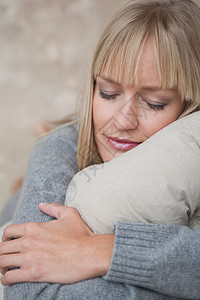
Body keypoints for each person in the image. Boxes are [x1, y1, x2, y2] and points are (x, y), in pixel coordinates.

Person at [0, 0, 200, 299]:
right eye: (108, 93)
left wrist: (101, 249)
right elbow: (26, 289)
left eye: (154, 102)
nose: (122, 120)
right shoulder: (59, 148)